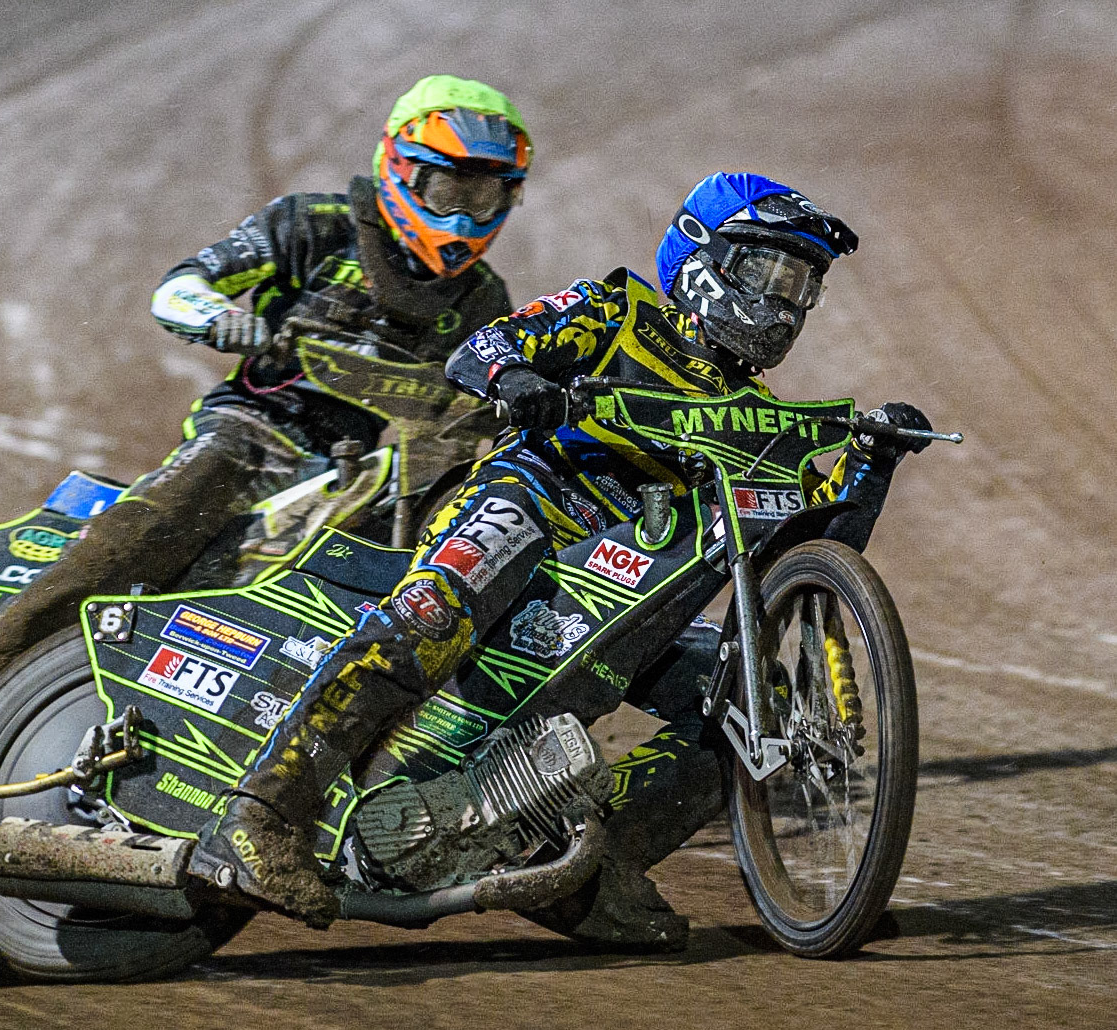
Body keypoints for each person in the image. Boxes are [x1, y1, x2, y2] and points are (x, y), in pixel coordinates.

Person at [190, 171, 933, 943]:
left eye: (798, 283)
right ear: (700, 255)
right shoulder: (617, 310)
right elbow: (482, 348)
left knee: (757, 693)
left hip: (631, 589)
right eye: (764, 271)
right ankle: (264, 813)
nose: (781, 301)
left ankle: (587, 865)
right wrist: (519, 380)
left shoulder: (764, 423)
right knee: (433, 609)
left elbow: (807, 561)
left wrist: (872, 467)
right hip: (535, 502)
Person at [0, 75, 531, 771]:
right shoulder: (316, 223)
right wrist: (218, 315)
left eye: (488, 194)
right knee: (141, 535)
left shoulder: (482, 296)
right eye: (452, 190)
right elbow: (180, 285)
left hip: (363, 474)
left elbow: (476, 399)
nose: (467, 213)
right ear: (404, 168)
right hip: (254, 433)